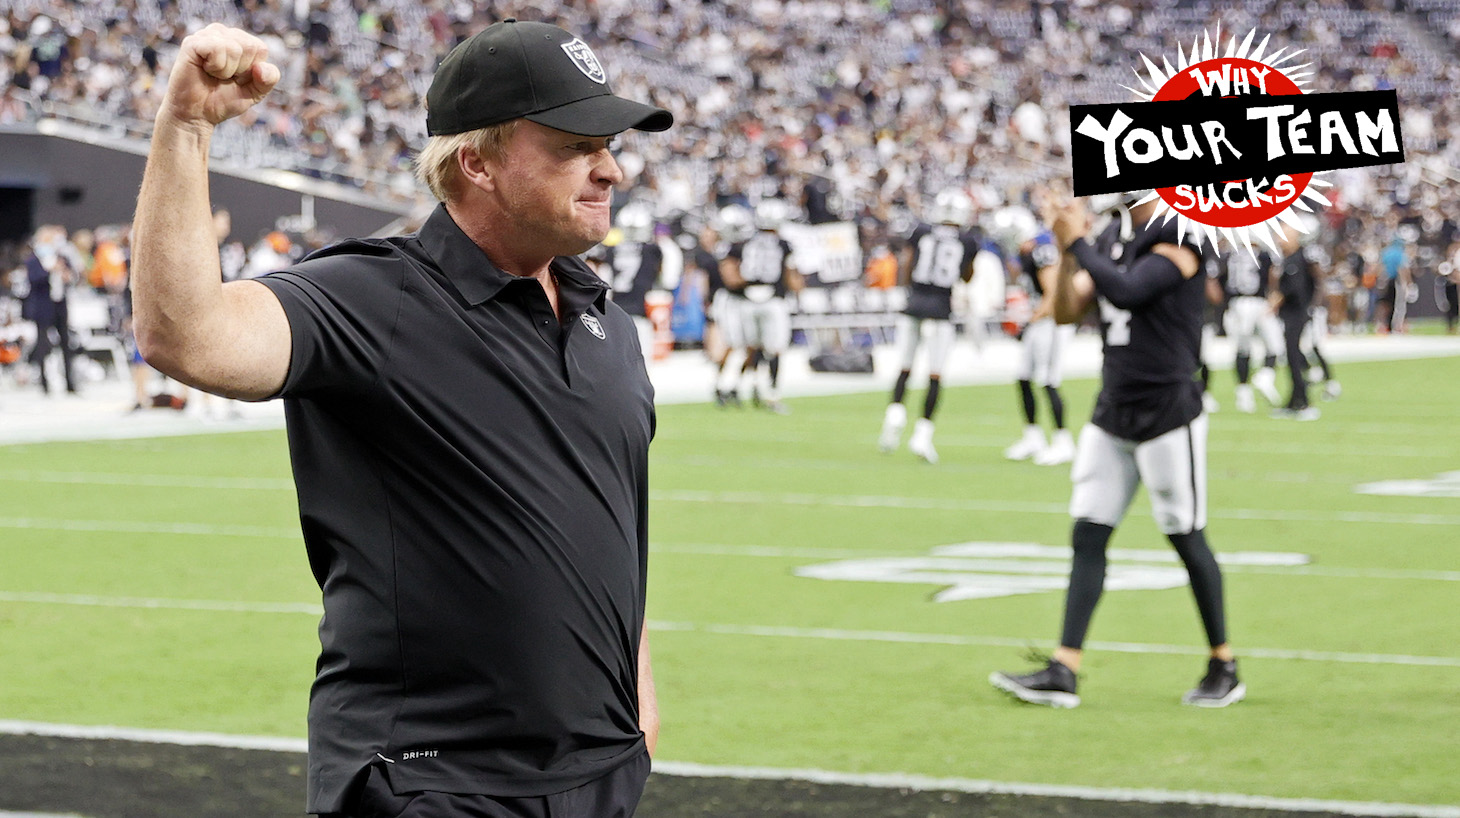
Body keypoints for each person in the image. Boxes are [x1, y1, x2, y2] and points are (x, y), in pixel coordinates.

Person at [130, 20, 672, 817]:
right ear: (475, 161)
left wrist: (639, 711)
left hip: (598, 776)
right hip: (432, 786)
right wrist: (186, 128)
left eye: (611, 142)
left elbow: (614, 530)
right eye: (573, 143)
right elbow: (187, 335)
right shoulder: (373, 296)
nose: (611, 169)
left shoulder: (607, 323)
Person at [989, 191, 1243, 709]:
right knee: (1088, 530)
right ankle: (1065, 668)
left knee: (1185, 534)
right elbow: (1063, 312)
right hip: (1114, 409)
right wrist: (1065, 251)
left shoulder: (1181, 231)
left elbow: (1128, 291)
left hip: (1169, 410)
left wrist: (1078, 241)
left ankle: (1224, 663)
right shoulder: (1111, 236)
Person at [878, 188, 980, 463]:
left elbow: (908, 263)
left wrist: (907, 291)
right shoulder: (968, 240)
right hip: (941, 308)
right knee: (935, 374)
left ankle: (894, 415)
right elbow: (967, 276)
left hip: (914, 304)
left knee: (905, 366)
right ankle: (922, 434)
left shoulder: (922, 231)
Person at [997, 206, 1076, 466]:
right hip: (1039, 322)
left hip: (1051, 322)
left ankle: (1063, 441)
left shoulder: (1042, 250)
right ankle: (1033, 437)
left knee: (1047, 379)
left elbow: (1053, 293)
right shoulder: (1027, 252)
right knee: (1023, 378)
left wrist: (1032, 319)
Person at [720, 197, 803, 414]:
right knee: (774, 350)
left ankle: (737, 386)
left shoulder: (746, 241)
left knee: (751, 348)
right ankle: (771, 394)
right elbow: (791, 274)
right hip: (772, 300)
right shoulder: (783, 244)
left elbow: (732, 268)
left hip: (747, 300)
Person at [1216, 247, 1283, 413]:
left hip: (1236, 304)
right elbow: (1274, 276)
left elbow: (1219, 279)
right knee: (1273, 345)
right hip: (1258, 302)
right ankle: (1264, 377)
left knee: (1243, 350)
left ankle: (1245, 391)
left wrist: (1223, 306)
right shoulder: (1263, 255)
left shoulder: (1228, 254)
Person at [1271, 220, 1325, 420]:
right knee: (1291, 357)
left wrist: (1274, 302)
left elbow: (1292, 288)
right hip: (1292, 313)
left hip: (1296, 313)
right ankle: (1294, 401)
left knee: (1294, 357)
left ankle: (1303, 401)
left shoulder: (1297, 259)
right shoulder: (1291, 258)